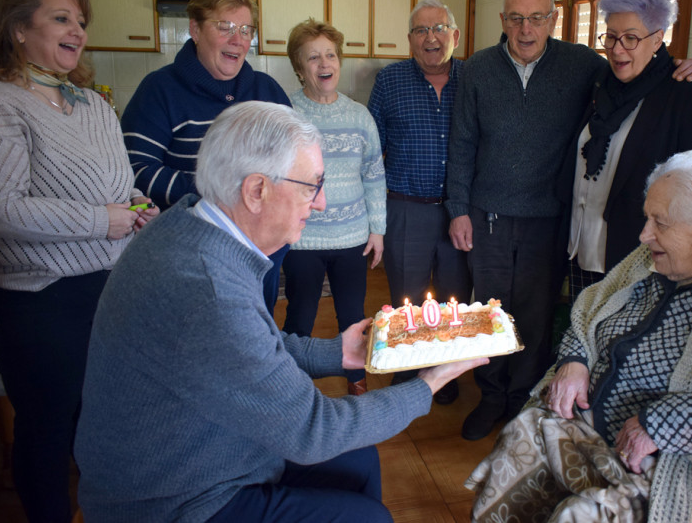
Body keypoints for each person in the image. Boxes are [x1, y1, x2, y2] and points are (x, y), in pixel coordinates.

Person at [74, 101, 485, 522]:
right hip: (173, 499)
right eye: (312, 185)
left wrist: (335, 352)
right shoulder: (207, 289)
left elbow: (246, 345)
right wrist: (428, 383)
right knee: (368, 517)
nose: (322, 203)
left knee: (359, 461)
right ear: (257, 190)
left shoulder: (192, 225)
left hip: (206, 442)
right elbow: (313, 430)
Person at [466, 148, 692, 523]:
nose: (644, 234)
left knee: (578, 516)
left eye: (660, 222)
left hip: (668, 459)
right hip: (595, 424)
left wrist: (667, 425)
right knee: (521, 436)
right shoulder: (658, 254)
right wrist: (575, 359)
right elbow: (591, 309)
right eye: (647, 218)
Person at [445, 0, 692, 441]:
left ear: (553, 20)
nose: (527, 29)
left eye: (537, 18)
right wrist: (458, 207)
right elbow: (462, 143)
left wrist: (678, 64)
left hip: (550, 218)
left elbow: (646, 72)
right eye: (516, 18)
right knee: (487, 312)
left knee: (535, 316)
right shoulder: (477, 69)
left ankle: (523, 397)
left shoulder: (585, 65)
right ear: (502, 20)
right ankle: (490, 396)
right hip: (488, 216)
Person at [0, 0, 158, 522]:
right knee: (46, 425)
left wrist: (139, 206)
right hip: (31, 295)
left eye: (80, 21)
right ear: (18, 29)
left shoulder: (91, 104)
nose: (77, 31)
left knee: (96, 412)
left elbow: (119, 187)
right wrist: (105, 220)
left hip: (104, 285)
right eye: (60, 18)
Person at [121, 0, 290, 314]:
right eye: (224, 26)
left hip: (260, 252)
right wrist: (220, 190)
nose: (237, 39)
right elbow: (135, 170)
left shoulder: (267, 91)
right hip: (188, 254)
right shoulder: (160, 90)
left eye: (245, 29)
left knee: (254, 338)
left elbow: (294, 163)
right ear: (195, 30)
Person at [565, 0, 692, 297]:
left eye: (631, 38)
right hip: (578, 248)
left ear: (658, 38)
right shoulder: (598, 86)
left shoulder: (685, 95)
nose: (617, 49)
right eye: (611, 36)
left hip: (636, 257)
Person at [368, 0, 472, 404]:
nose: (431, 38)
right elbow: (371, 148)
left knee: (453, 299)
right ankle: (408, 370)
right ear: (409, 40)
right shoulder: (389, 80)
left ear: (455, 35)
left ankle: (443, 374)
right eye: (421, 31)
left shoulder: (475, 78)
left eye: (439, 28)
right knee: (405, 298)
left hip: (458, 209)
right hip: (406, 207)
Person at [283, 19, 386, 396]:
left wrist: (378, 230)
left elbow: (374, 175)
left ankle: (356, 383)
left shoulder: (359, 116)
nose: (324, 63)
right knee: (299, 317)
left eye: (330, 55)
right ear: (299, 67)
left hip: (352, 237)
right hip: (302, 238)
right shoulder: (285, 113)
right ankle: (292, 388)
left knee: (353, 317)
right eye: (313, 57)